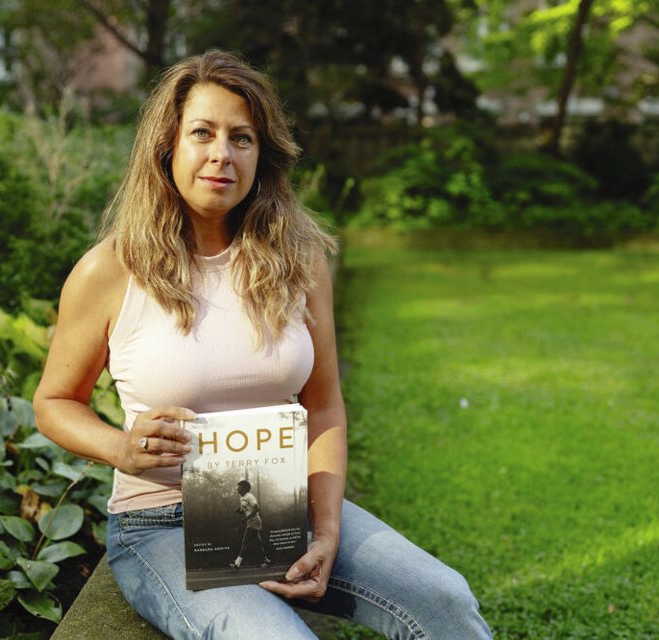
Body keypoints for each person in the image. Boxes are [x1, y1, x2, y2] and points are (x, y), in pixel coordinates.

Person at [33, 50, 492, 639]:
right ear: (167, 146)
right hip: (162, 525)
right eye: (203, 133)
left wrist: (324, 531)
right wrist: (121, 447)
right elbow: (54, 402)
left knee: (444, 599)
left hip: (284, 508)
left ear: (262, 155)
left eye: (242, 138)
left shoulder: (297, 259)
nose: (222, 153)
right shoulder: (111, 270)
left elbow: (323, 405)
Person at [231, 480, 270, 569]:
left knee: (245, 541)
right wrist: (239, 511)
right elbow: (246, 511)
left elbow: (256, 509)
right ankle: (265, 560)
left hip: (254, 520)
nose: (237, 488)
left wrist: (246, 519)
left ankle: (237, 563)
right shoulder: (241, 498)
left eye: (238, 487)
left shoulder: (250, 496)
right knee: (257, 543)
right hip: (250, 520)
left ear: (243, 488)